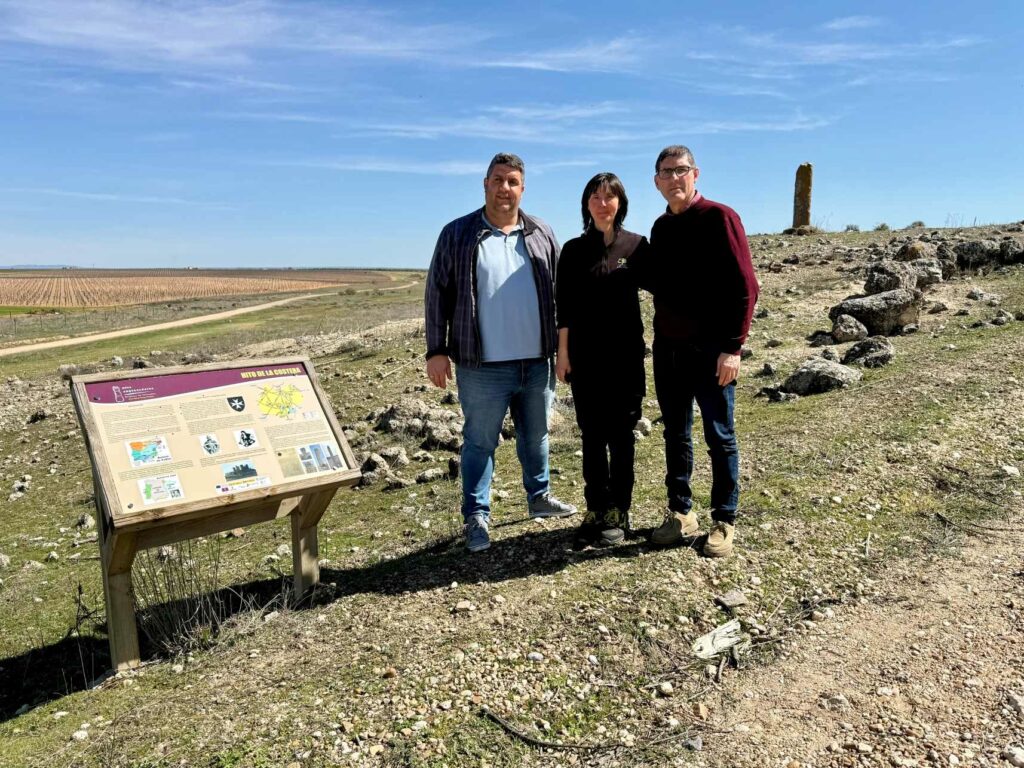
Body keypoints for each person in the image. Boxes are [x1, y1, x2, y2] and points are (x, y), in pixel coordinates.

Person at [424, 152, 577, 553]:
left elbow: (564, 295)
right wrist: (435, 350)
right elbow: (436, 294)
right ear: (485, 184)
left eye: (512, 181)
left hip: (537, 361)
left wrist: (564, 350)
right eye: (497, 180)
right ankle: (477, 516)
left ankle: (539, 497)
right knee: (479, 442)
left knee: (536, 436)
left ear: (522, 188)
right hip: (481, 364)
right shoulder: (457, 234)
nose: (504, 188)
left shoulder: (542, 232)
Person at [641, 145, 759, 557]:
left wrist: (733, 347)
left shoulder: (720, 217)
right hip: (668, 350)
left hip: (712, 351)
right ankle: (681, 512)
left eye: (681, 170)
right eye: (666, 172)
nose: (675, 178)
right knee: (676, 433)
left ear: (696, 175)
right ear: (656, 181)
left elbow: (746, 286)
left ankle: (724, 519)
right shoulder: (661, 227)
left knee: (719, 436)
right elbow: (663, 282)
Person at [555, 173, 648, 547]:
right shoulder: (574, 250)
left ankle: (619, 511)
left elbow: (667, 285)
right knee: (592, 434)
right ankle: (595, 506)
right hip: (586, 358)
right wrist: (562, 354)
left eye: (610, 196)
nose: (602, 202)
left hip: (625, 359)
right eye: (595, 196)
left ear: (620, 203)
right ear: (586, 203)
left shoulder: (637, 246)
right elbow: (565, 306)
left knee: (622, 435)